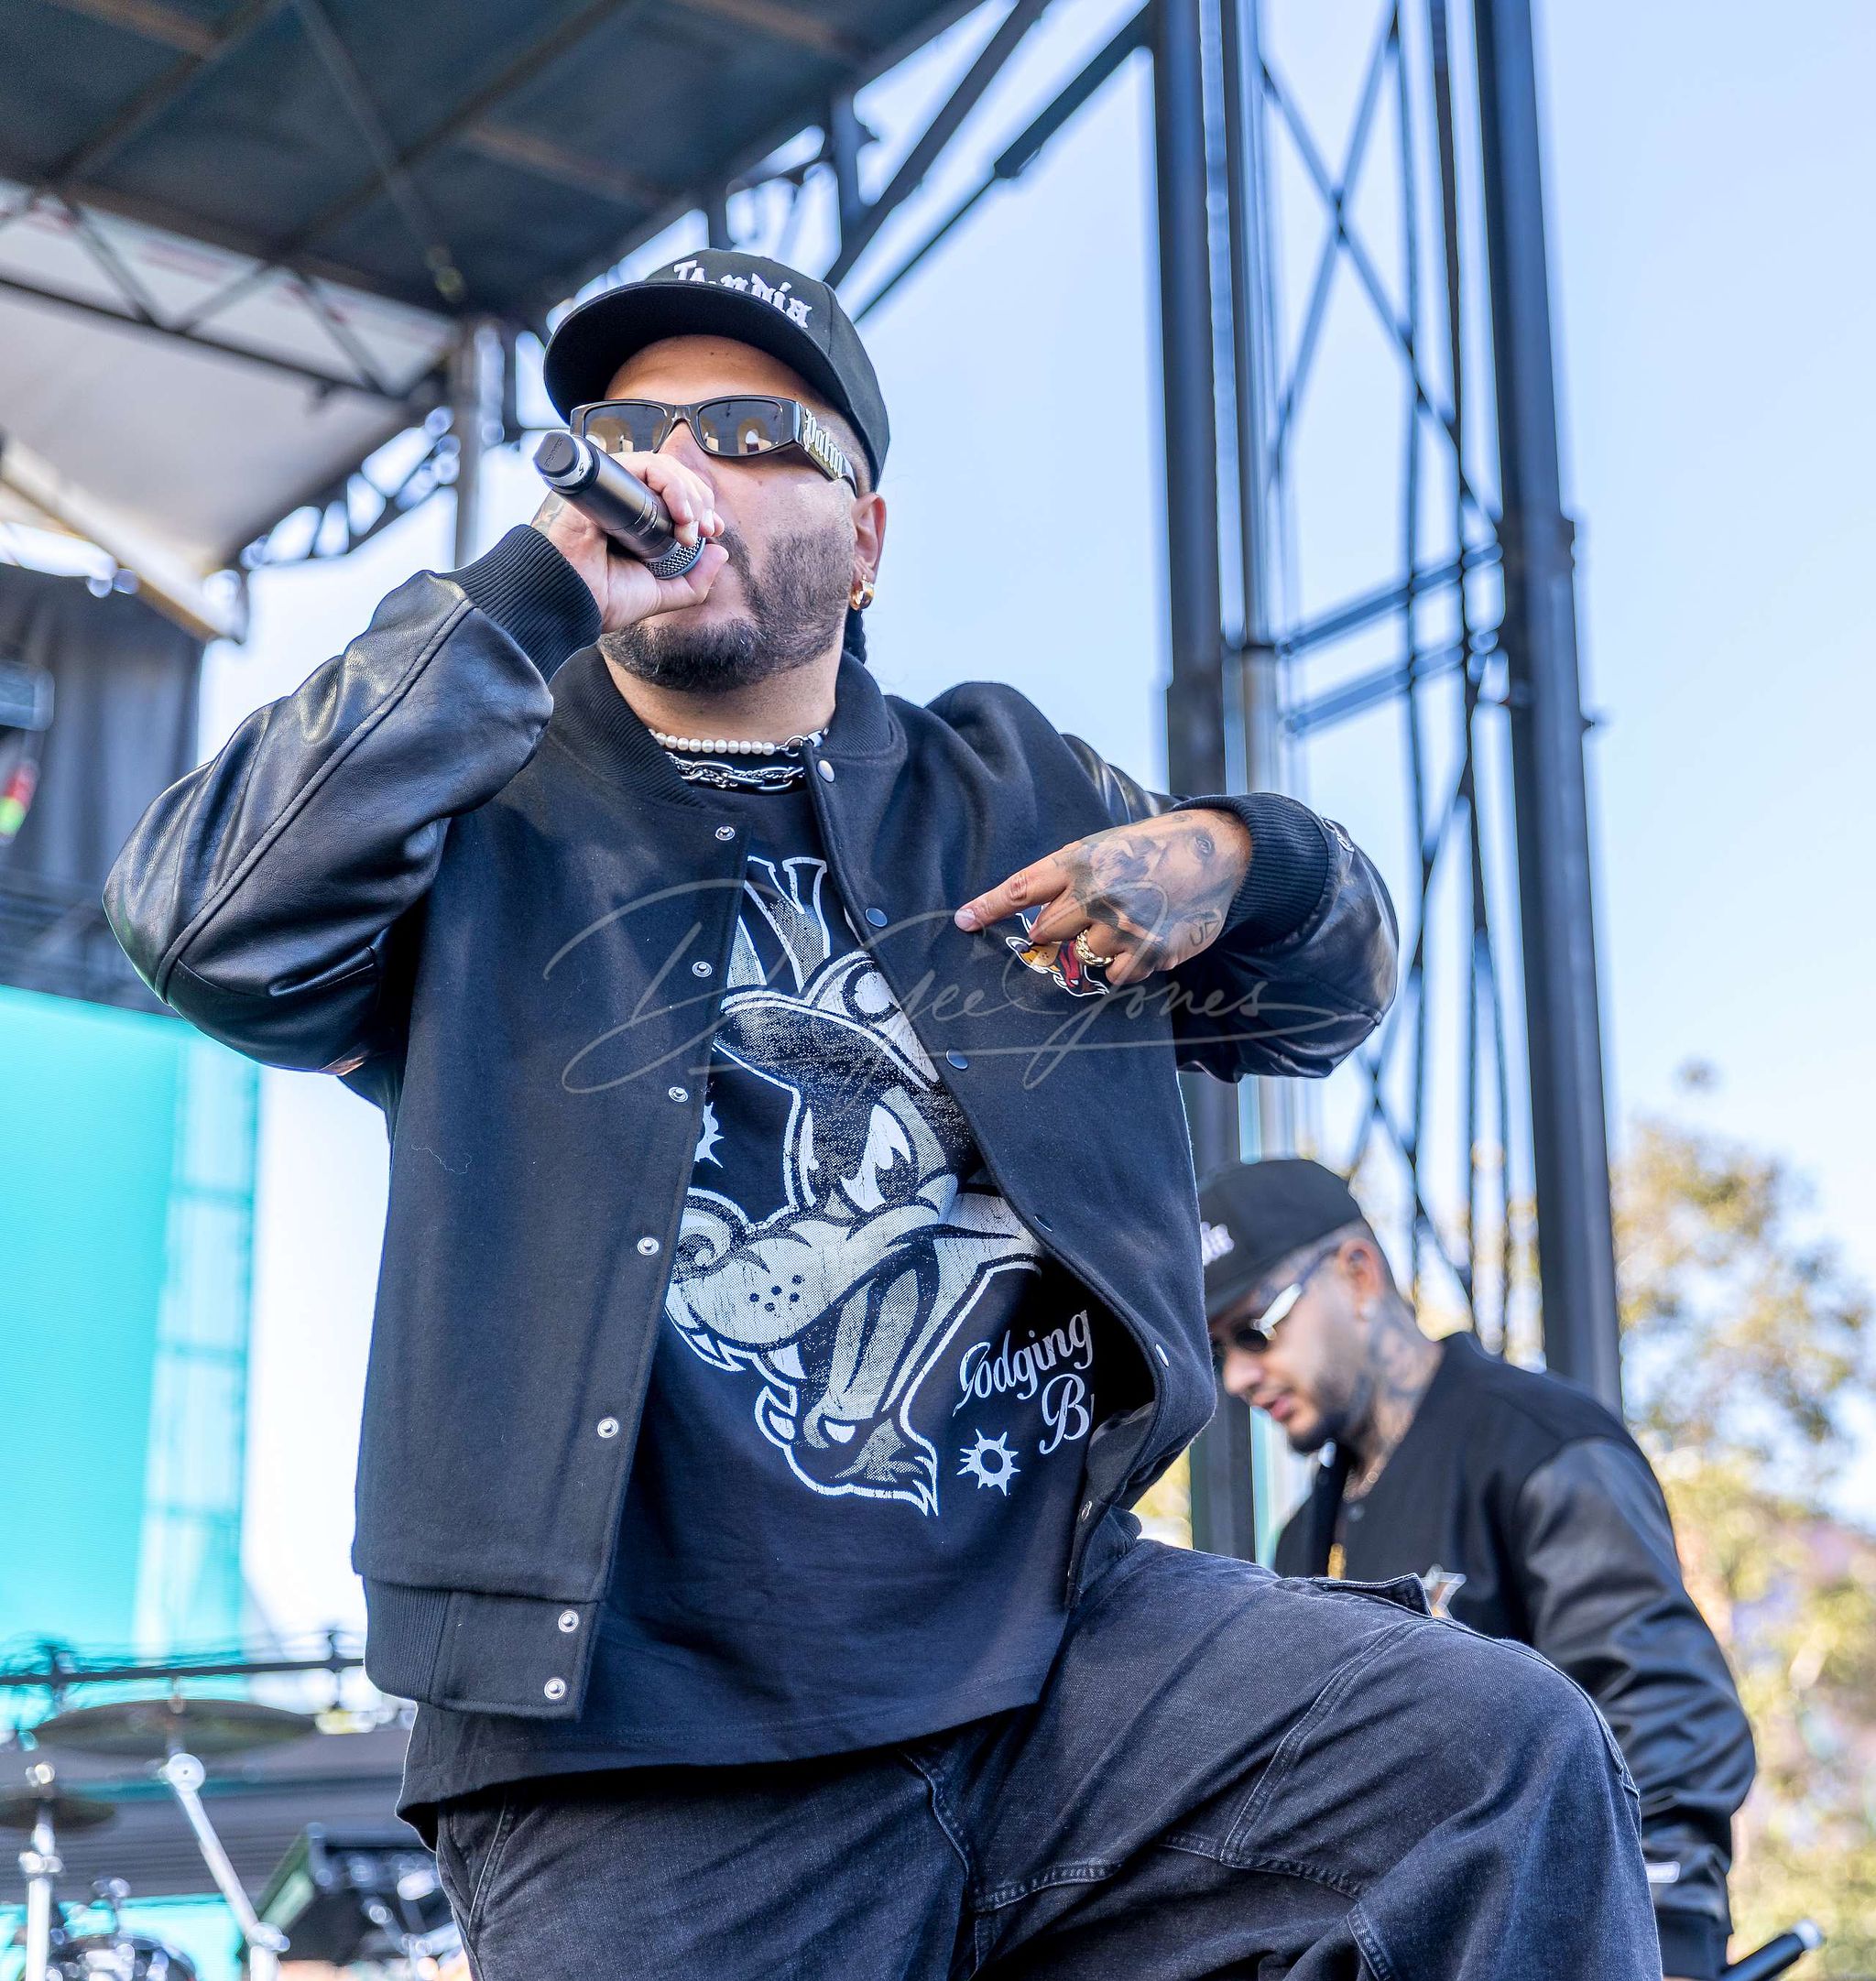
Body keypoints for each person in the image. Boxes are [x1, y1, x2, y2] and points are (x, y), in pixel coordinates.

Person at [107, 249, 1659, 1978]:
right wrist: (518, 602)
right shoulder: (478, 797)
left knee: (1491, 1753)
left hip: (1059, 1663)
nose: (673, 461)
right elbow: (199, 920)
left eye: (746, 430)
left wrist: (1240, 854)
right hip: (639, 1747)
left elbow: (1335, 985)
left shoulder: (1011, 788)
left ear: (865, 540)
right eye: (627, 427)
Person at [1202, 1156, 1759, 1981]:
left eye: (1256, 1327)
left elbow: (1659, 1706)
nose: (1238, 1375)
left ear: (1358, 1273)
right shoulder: (1301, 1544)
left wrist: (1667, 1938)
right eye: (1218, 1349)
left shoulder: (1536, 1439)